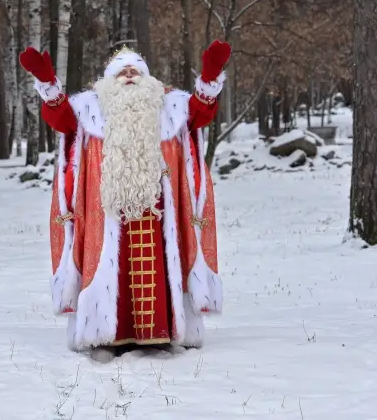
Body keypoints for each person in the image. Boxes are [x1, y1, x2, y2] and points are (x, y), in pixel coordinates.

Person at [19, 41, 231, 361]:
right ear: (108, 80)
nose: (129, 76)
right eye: (122, 72)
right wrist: (47, 82)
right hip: (107, 211)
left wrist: (211, 75)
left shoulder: (169, 106)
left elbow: (201, 113)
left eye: (135, 71)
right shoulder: (88, 108)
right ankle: (107, 332)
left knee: (159, 268)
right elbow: (60, 118)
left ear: (148, 79)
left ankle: (157, 331)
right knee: (109, 268)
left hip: (157, 210)